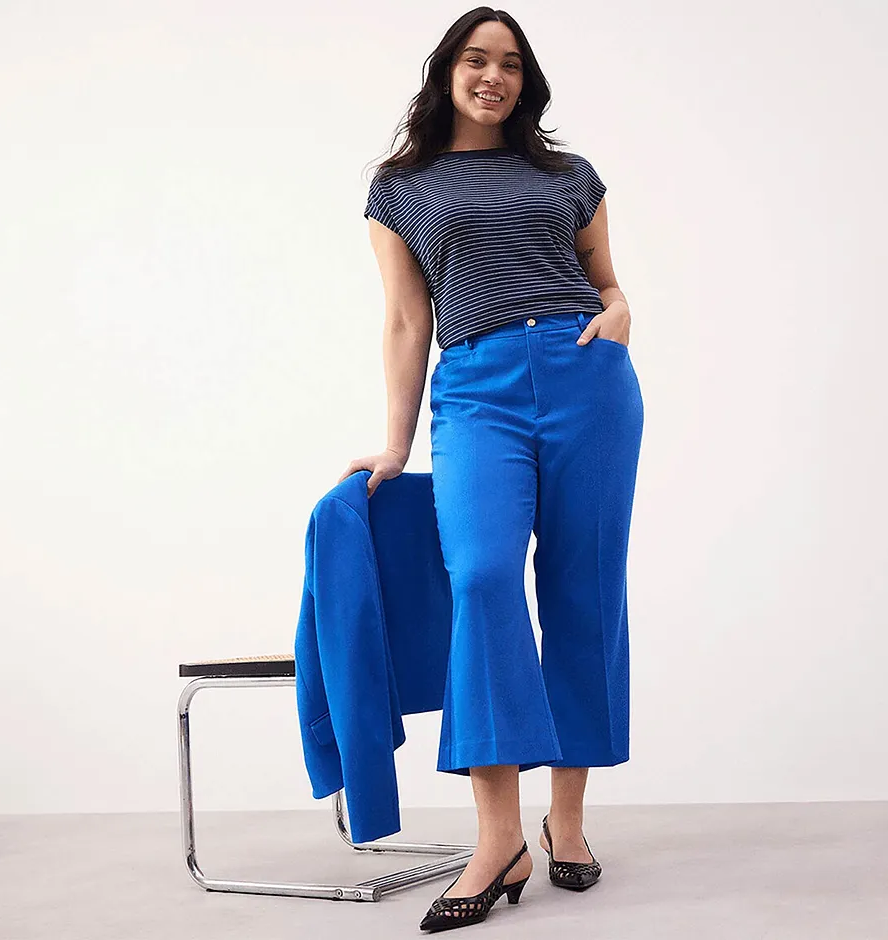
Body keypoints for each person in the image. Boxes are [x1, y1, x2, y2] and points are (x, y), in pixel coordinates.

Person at [337, 6, 644, 932]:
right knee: (480, 579)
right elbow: (404, 322)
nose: (493, 76)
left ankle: (570, 822)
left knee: (584, 591)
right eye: (477, 59)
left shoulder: (569, 175)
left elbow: (606, 277)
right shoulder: (401, 188)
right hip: (475, 388)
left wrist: (621, 313)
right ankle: (498, 834)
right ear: (447, 72)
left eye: (510, 64)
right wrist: (395, 442)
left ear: (526, 80)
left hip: (586, 375)